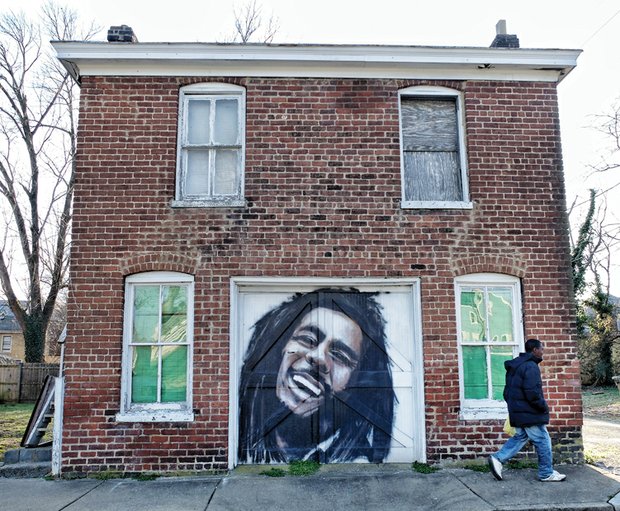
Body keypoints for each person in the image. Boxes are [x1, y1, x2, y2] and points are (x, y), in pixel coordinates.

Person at [238, 288, 395, 464]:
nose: (319, 357)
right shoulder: (240, 438)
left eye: (341, 356)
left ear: (355, 381)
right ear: (279, 349)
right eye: (307, 339)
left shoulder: (357, 461)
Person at [488, 338, 566, 482]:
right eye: (541, 349)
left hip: (519, 411)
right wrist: (543, 407)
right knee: (543, 440)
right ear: (534, 350)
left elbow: (507, 392)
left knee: (520, 437)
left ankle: (497, 459)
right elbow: (532, 393)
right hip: (529, 412)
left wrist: (516, 407)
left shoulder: (516, 365)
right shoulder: (530, 366)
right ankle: (546, 473)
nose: (543, 351)